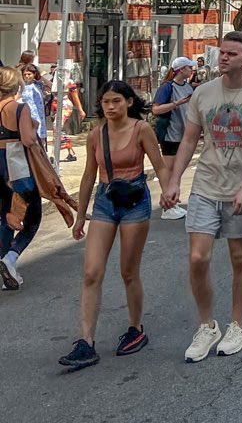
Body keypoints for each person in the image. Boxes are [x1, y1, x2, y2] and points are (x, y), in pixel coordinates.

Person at [160, 31, 242, 363]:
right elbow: (188, 141)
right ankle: (207, 325)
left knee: (239, 259)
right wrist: (174, 182)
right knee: (198, 258)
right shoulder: (203, 93)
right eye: (221, 52)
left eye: (231, 53)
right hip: (206, 185)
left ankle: (237, 325)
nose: (223, 57)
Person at [58, 81, 168, 369]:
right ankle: (86, 342)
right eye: (106, 101)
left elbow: (159, 165)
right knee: (91, 272)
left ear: (129, 102)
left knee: (128, 271)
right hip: (105, 201)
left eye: (116, 101)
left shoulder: (141, 129)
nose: (110, 106)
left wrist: (170, 194)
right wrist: (81, 215)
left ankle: (135, 328)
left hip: (135, 201)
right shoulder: (96, 135)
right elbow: (87, 177)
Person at [0, 67, 44, 291]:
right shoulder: (19, 108)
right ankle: (11, 256)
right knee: (33, 217)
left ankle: (6, 267)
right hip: (15, 166)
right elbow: (28, 140)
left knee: (5, 213)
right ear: (17, 85)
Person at [151, 57, 195, 220]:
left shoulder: (188, 87)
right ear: (181, 69)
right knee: (168, 171)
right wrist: (176, 103)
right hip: (170, 134)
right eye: (189, 68)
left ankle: (172, 202)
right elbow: (156, 109)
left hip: (184, 134)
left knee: (177, 170)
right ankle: (168, 206)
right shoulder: (167, 87)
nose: (192, 71)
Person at [19, 64, 46, 144]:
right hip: (26, 115)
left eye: (29, 74)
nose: (27, 76)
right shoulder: (21, 86)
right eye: (25, 74)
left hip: (39, 116)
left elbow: (52, 87)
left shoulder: (39, 85)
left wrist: (40, 77)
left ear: (34, 74)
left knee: (40, 141)